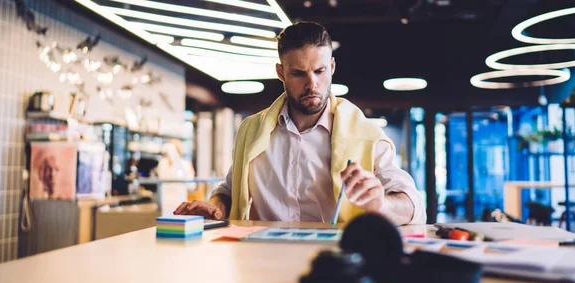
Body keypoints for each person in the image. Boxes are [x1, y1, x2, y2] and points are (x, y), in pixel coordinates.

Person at [175, 21, 425, 225]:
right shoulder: (251, 130)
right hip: (260, 260)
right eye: (298, 73)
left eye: (320, 71)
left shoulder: (366, 134)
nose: (312, 84)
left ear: (332, 67)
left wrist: (381, 203)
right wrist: (216, 207)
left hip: (333, 261)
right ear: (281, 72)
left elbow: (413, 206)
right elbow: (231, 189)